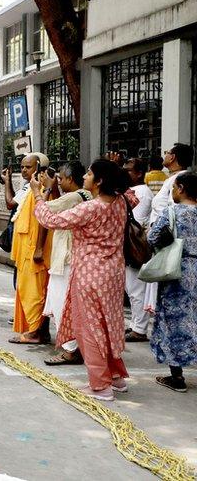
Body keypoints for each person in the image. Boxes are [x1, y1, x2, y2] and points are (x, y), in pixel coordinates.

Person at [33, 159, 134, 401]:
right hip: (113, 273)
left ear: (99, 181)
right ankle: (116, 377)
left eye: (89, 173)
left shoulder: (92, 208)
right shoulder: (121, 202)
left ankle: (100, 386)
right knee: (108, 323)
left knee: (90, 329)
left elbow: (50, 220)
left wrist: (39, 195)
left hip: (90, 273)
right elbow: (132, 194)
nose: (85, 177)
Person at [148, 171, 197, 392]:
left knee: (174, 320)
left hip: (178, 270)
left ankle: (177, 377)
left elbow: (152, 237)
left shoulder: (173, 212)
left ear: (181, 188)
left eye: (173, 188)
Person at [40, 162, 91, 366]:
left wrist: (42, 190)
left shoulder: (74, 197)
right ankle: (77, 346)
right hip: (76, 258)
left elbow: (43, 211)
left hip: (66, 259)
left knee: (61, 303)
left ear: (70, 179)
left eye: (60, 179)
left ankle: (71, 350)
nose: (58, 182)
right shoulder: (88, 197)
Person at [9, 153, 53, 344]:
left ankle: (36, 333)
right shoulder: (29, 189)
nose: (24, 170)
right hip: (25, 248)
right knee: (28, 290)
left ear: (39, 168)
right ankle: (38, 331)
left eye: (28, 167)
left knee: (35, 292)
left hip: (34, 248)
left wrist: (39, 249)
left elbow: (44, 221)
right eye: (22, 167)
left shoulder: (42, 190)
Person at [123, 158, 155, 342]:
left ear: (139, 173)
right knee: (131, 288)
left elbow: (135, 221)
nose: (126, 173)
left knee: (136, 289)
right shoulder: (133, 191)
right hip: (129, 244)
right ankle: (136, 325)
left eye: (129, 170)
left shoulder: (142, 192)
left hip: (135, 244)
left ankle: (140, 328)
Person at [150, 143, 194, 226]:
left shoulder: (179, 180)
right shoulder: (175, 178)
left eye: (166, 152)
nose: (165, 155)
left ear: (172, 157)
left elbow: (174, 210)